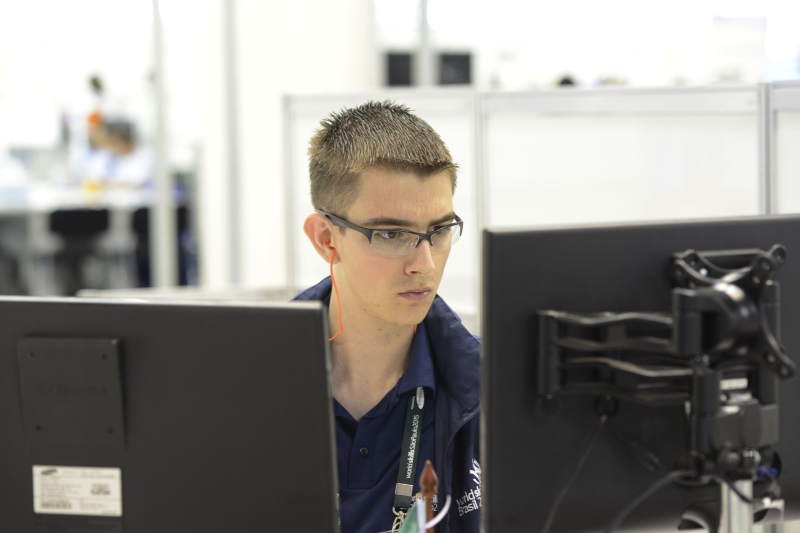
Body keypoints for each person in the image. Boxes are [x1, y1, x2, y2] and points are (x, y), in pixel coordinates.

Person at [295, 101, 480, 533]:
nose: (425, 264)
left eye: (439, 231)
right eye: (392, 234)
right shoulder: (246, 386)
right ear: (326, 239)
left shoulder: (490, 390)